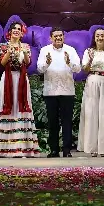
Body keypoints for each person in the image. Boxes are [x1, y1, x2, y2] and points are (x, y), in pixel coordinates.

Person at [0, 20, 39, 157]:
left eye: (19, 29)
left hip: (21, 79)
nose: (16, 30)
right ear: (9, 32)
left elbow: (28, 63)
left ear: (22, 33)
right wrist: (9, 53)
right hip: (8, 79)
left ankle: (22, 147)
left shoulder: (26, 46)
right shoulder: (3, 46)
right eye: (14, 28)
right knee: (8, 106)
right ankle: (4, 148)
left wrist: (25, 52)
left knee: (21, 106)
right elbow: (2, 63)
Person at [37, 27, 80, 158]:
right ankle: (54, 150)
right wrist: (47, 64)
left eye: (60, 35)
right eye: (55, 36)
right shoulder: (45, 50)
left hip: (67, 91)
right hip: (50, 91)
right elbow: (39, 69)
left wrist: (69, 63)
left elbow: (77, 69)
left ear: (63, 36)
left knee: (67, 121)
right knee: (52, 122)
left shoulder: (70, 50)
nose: (58, 38)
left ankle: (66, 150)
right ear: (51, 38)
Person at [78, 27, 104, 157]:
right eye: (97, 35)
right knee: (92, 112)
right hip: (92, 81)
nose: (100, 38)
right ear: (94, 38)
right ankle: (92, 148)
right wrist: (89, 60)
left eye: (102, 35)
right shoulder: (88, 51)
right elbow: (85, 69)